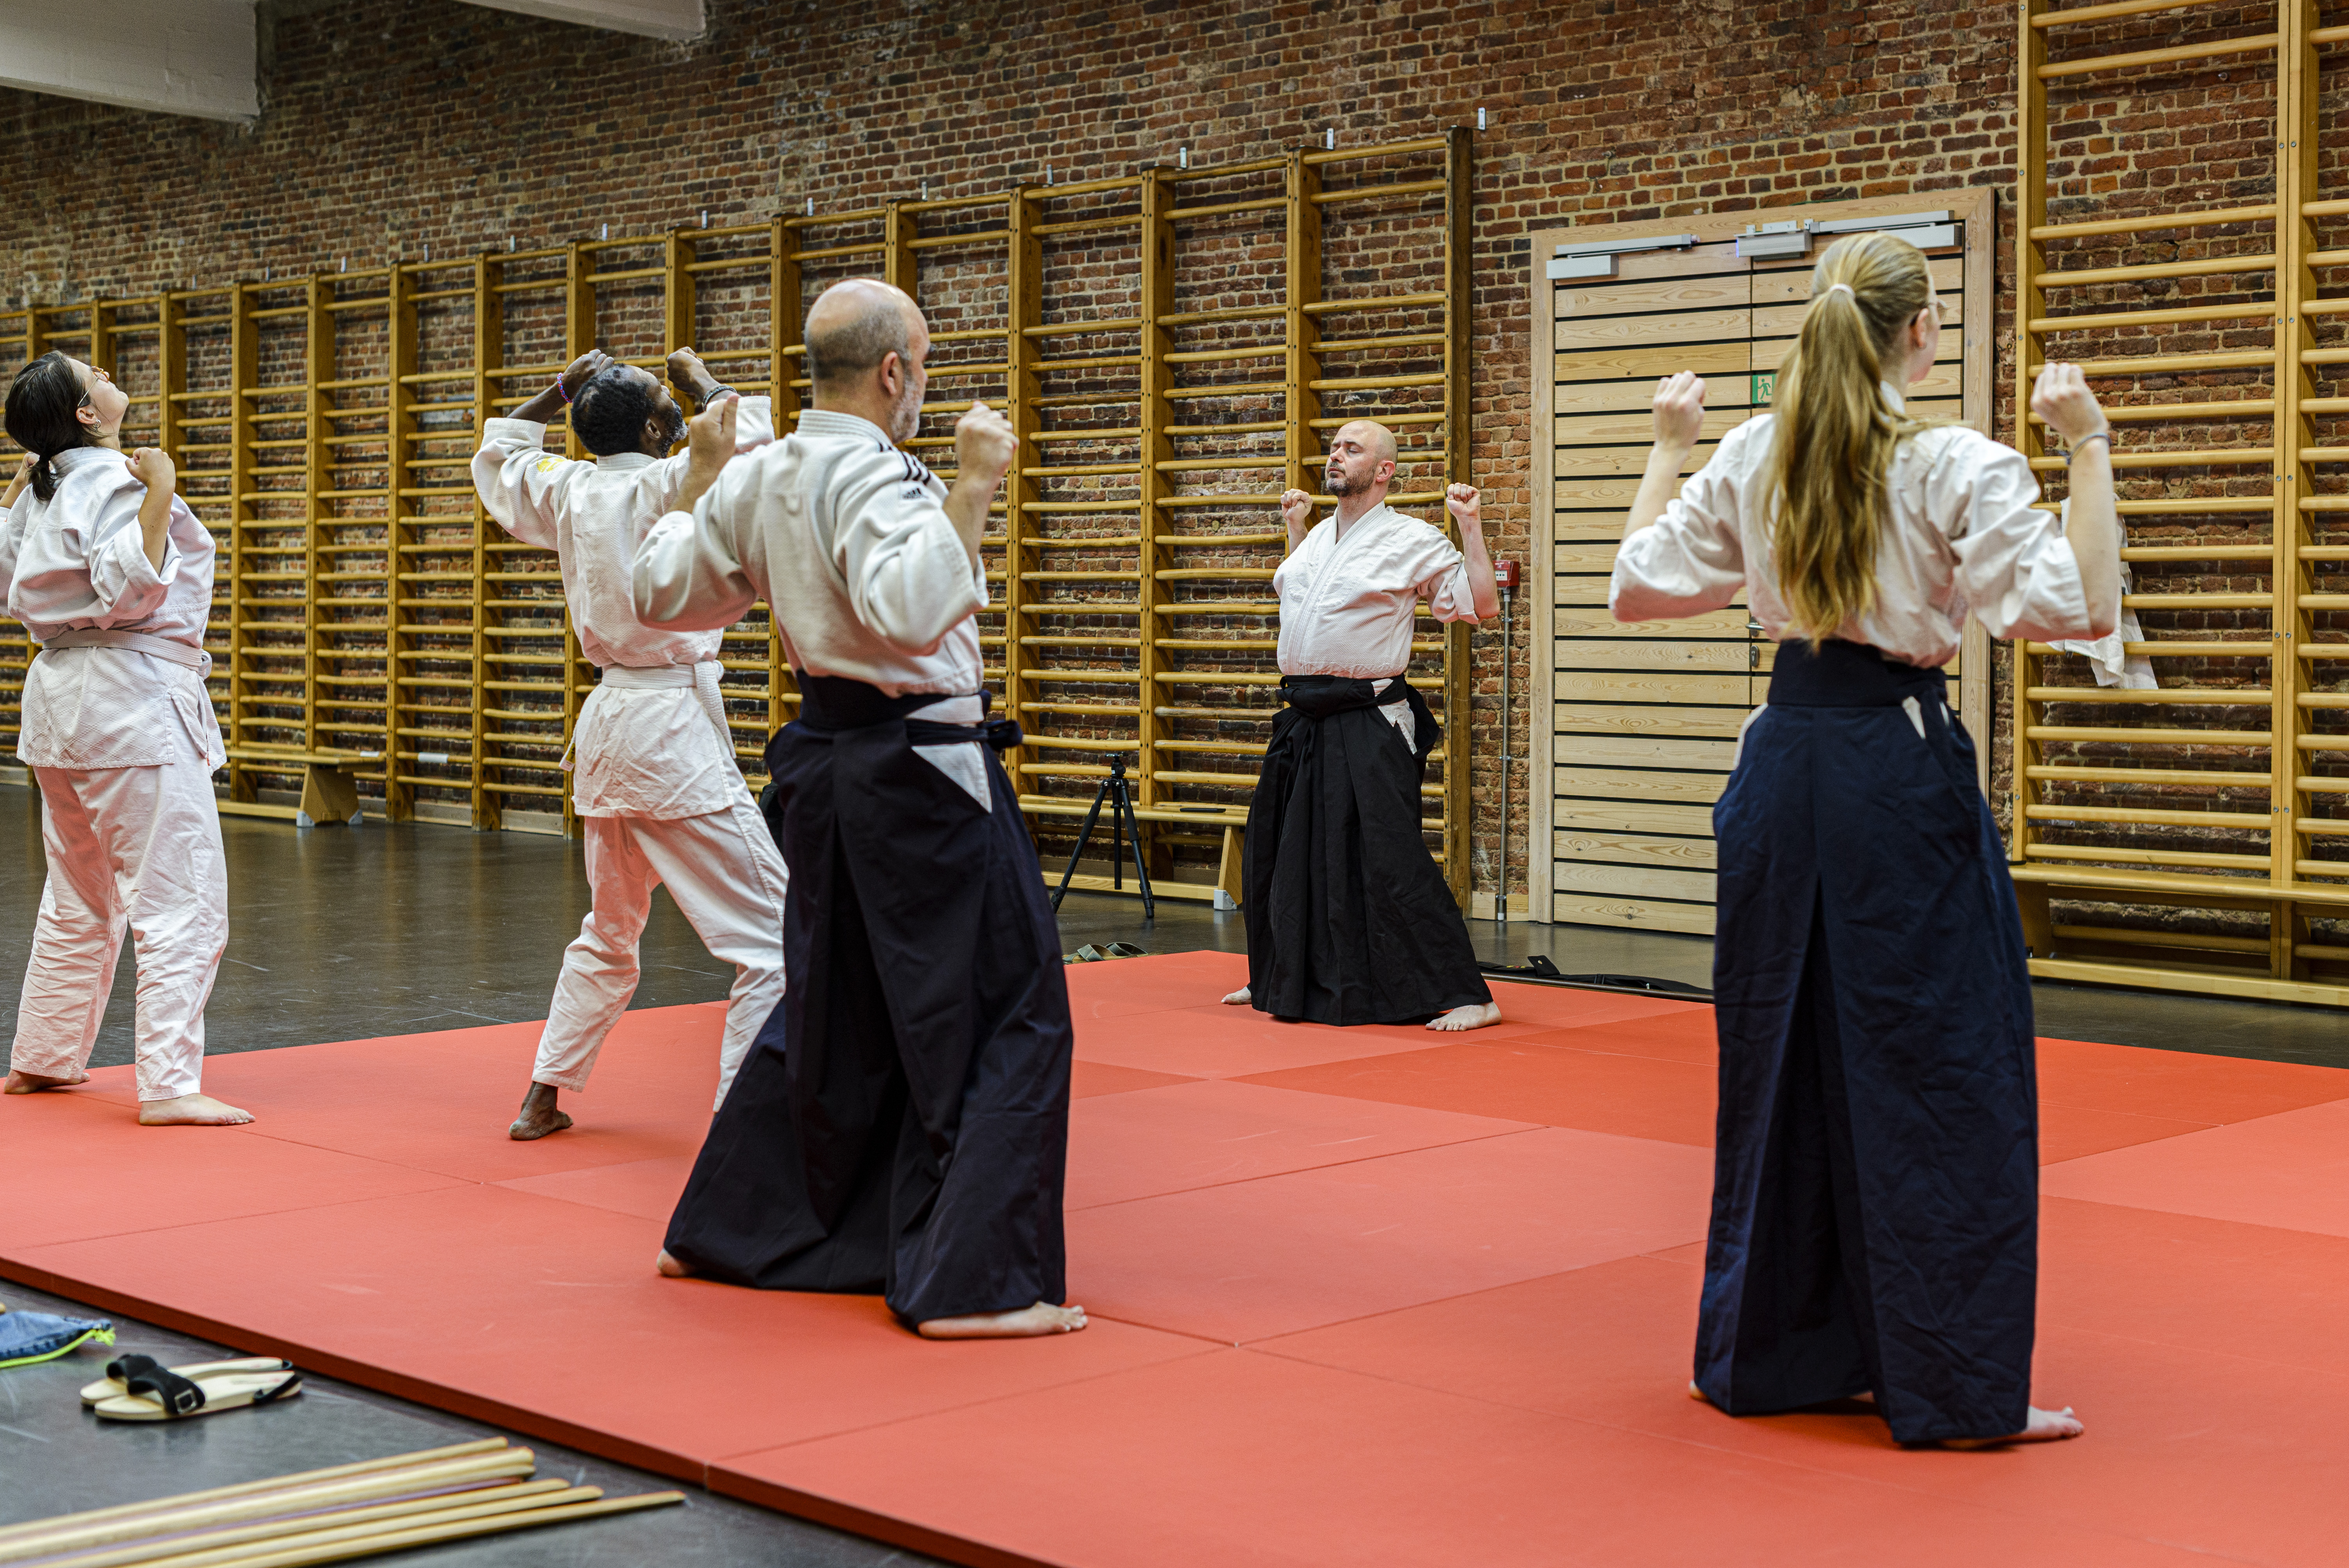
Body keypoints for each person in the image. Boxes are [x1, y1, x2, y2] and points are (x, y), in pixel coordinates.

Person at [1610, 231, 2118, 1447]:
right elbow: (2079, 608)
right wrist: (2090, 447)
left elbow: (1637, 585)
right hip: (1892, 770)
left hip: (1786, 766)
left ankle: (1768, 1349)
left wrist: (1668, 451)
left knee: (1781, 1053)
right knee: (1941, 1069)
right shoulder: (1960, 463)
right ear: (1922, 333)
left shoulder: (1748, 452)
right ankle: (1950, 1379)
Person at [629, 278, 1084, 1339]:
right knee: (1007, 1004)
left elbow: (661, 595)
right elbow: (911, 613)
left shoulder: (769, 470)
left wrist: (699, 479)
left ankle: (736, 1229)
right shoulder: (885, 478)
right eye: (919, 368)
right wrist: (974, 486)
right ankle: (976, 1286)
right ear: (895, 374)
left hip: (831, 774)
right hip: (922, 773)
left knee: (841, 1006)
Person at [471, 346, 787, 1140]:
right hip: (668, 732)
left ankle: (540, 1096)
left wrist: (558, 390)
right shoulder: (669, 480)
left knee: (610, 928)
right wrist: (700, 377)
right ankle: (741, 1126)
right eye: (661, 401)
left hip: (610, 726)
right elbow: (758, 440)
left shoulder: (569, 489)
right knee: (779, 940)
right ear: (655, 426)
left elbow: (500, 452)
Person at [0, 352, 248, 1126]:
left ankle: (42, 1057)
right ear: (84, 414)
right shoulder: (110, 481)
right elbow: (130, 585)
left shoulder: (40, 491)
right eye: (94, 373)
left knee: (80, 892)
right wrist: (165, 485)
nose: (109, 372)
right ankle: (170, 1084)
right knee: (181, 895)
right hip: (129, 704)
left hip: (63, 707)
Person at [1219, 419, 1502, 1030]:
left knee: (1390, 857)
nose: (1336, 455)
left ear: (1384, 471)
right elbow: (1303, 604)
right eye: (1335, 446)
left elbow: (1482, 607)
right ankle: (1277, 975)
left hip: (1368, 719)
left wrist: (1471, 527)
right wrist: (1294, 531)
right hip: (1303, 717)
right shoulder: (1319, 538)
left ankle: (1472, 994)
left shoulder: (1412, 538)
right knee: (1279, 851)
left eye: (1352, 449)